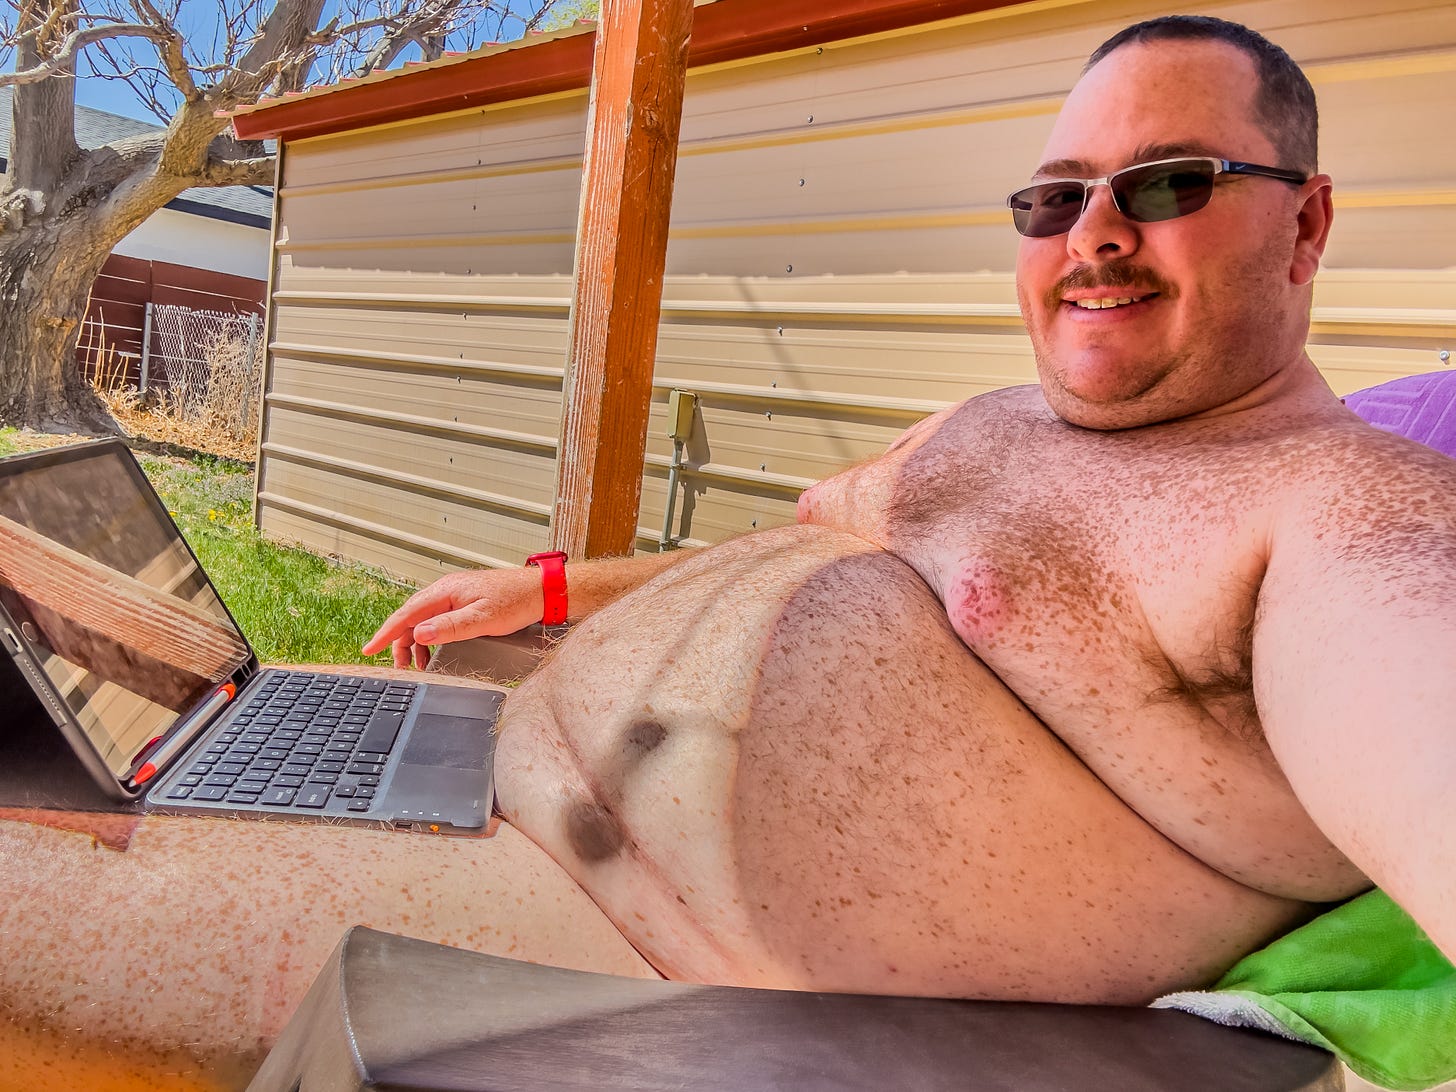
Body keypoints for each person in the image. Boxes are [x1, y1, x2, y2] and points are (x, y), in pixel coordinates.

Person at [2, 14, 1453, 1091]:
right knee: (65, 637)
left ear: (1308, 221)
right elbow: (812, 530)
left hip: (581, 939)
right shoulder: (996, 425)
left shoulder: (1333, 513)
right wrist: (552, 592)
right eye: (1054, 197)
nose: (1094, 236)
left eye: (1165, 186)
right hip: (484, 747)